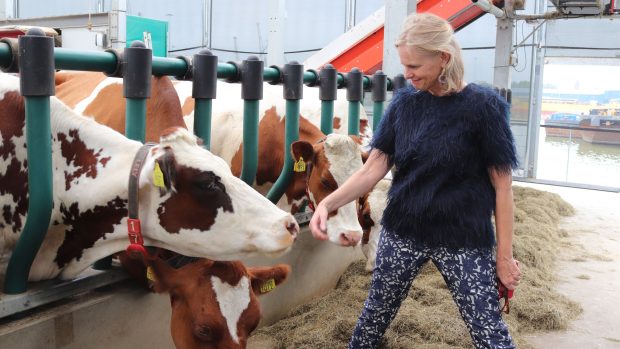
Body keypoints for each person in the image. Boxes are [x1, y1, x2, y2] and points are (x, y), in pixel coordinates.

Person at [309, 12, 522, 349]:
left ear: (443, 59)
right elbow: (372, 168)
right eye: (404, 65)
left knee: (489, 331)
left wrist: (504, 257)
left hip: (463, 238)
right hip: (404, 231)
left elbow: (502, 186)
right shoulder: (405, 104)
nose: (407, 74)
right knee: (373, 317)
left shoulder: (484, 107)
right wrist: (328, 203)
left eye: (415, 67)